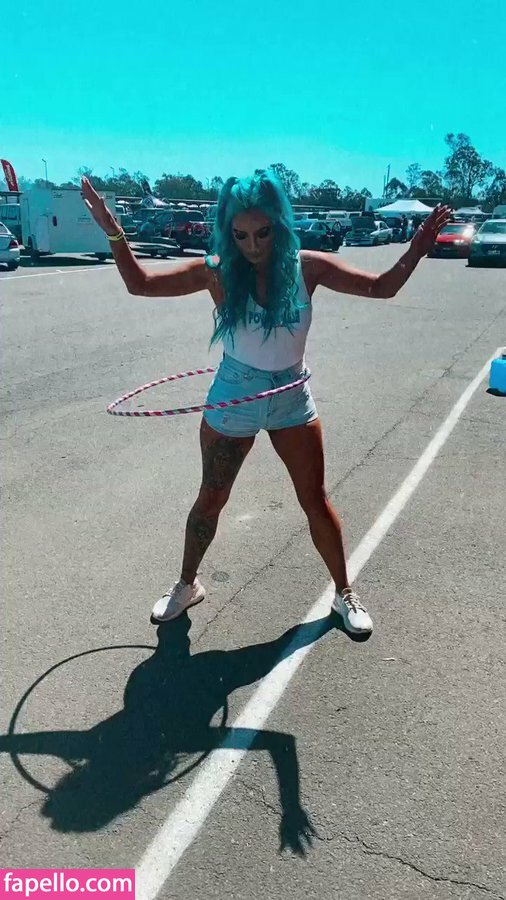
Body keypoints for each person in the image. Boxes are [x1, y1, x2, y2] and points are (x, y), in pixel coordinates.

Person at [81, 171, 450, 635]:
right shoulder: (217, 270)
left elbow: (382, 287)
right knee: (211, 497)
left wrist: (416, 248)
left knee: (315, 499)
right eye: (240, 235)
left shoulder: (307, 267)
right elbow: (140, 283)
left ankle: (344, 593)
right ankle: (187, 584)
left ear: (279, 224)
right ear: (228, 231)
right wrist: (114, 232)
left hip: (291, 395)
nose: (252, 245)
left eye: (262, 232)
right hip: (235, 391)